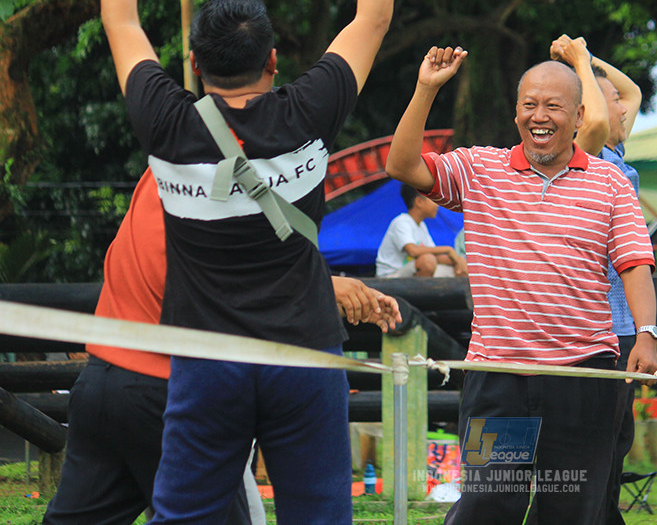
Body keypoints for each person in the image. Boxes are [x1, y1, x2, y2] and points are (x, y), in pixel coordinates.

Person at [96, 0, 411, 522]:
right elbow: (372, 18)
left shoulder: (167, 122)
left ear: (194, 66)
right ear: (273, 61)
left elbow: (122, 24)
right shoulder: (308, 112)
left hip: (208, 364)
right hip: (304, 356)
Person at [385, 46, 657, 525]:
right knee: (489, 506)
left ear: (578, 116)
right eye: (530, 104)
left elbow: (635, 262)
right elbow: (403, 165)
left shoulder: (610, 182)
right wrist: (427, 89)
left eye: (553, 106)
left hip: (583, 378)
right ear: (516, 113)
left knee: (571, 509)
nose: (540, 116)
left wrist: (646, 334)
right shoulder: (480, 170)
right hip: (500, 382)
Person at [43, 170, 400, 525]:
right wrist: (319, 287)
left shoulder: (163, 170)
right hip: (162, 391)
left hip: (101, 385)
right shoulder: (225, 178)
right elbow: (211, 277)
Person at [550, 34, 645, 524]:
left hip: (624, 319)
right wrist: (580, 66)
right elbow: (607, 114)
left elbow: (633, 95)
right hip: (599, 319)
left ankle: (605, 512)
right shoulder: (589, 158)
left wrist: (585, 58)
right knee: (598, 435)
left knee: (617, 434)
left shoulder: (619, 154)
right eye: (607, 101)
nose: (622, 111)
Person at [375, 184, 468, 277]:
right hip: (391, 275)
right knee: (427, 261)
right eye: (434, 200)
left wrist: (458, 261)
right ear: (419, 202)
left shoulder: (421, 225)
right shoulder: (401, 222)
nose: (438, 205)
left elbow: (436, 255)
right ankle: (419, 291)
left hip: (409, 271)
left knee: (459, 267)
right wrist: (448, 249)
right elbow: (413, 251)